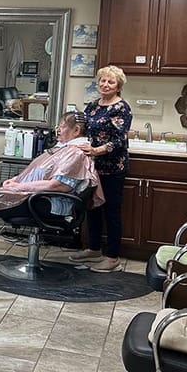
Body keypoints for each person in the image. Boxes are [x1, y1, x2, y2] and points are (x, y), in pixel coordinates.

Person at [0, 111, 105, 266]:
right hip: (40, 198)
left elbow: (58, 185)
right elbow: (40, 171)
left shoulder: (76, 153)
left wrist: (19, 186)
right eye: (58, 127)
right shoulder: (65, 149)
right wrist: (16, 179)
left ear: (76, 131)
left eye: (62, 127)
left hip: (50, 204)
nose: (58, 130)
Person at [71, 65, 132, 272]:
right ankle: (94, 248)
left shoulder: (121, 108)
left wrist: (96, 151)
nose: (105, 85)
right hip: (92, 168)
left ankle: (113, 256)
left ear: (118, 86)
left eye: (110, 82)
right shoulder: (93, 106)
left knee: (111, 211)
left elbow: (119, 141)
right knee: (93, 207)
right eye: (102, 81)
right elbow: (84, 129)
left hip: (113, 168)